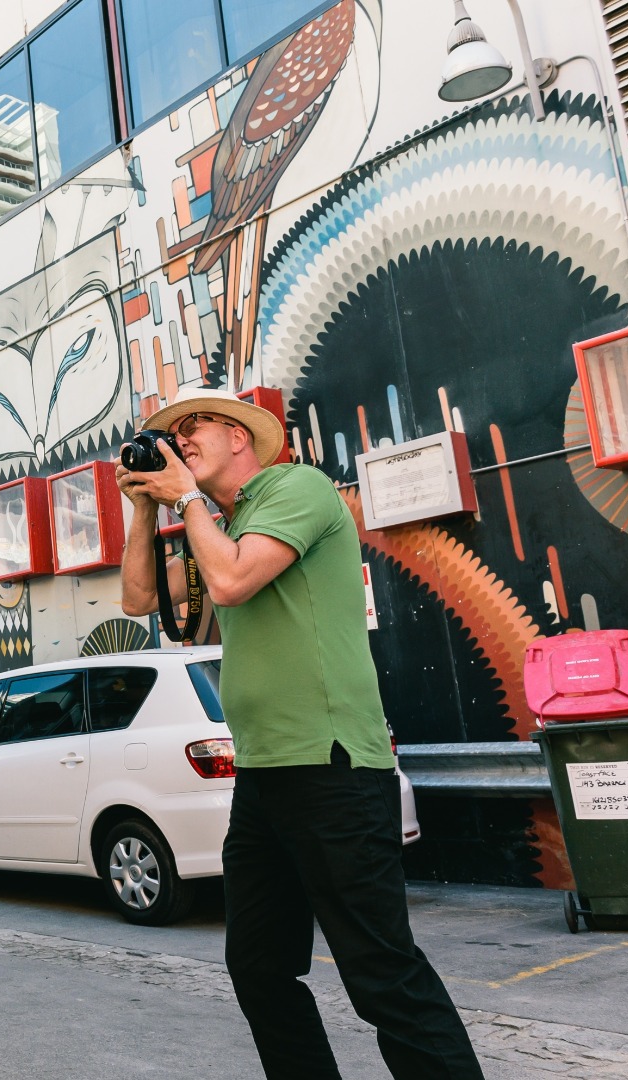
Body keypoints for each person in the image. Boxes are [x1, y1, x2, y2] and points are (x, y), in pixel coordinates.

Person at [115, 386, 484, 1079]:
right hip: (261, 776)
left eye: (195, 425)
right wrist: (144, 506)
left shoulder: (296, 488)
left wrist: (187, 501)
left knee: (380, 973)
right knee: (257, 966)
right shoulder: (218, 524)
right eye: (172, 433)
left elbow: (229, 583)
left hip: (332, 768)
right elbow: (137, 599)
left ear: (240, 438)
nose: (180, 439)